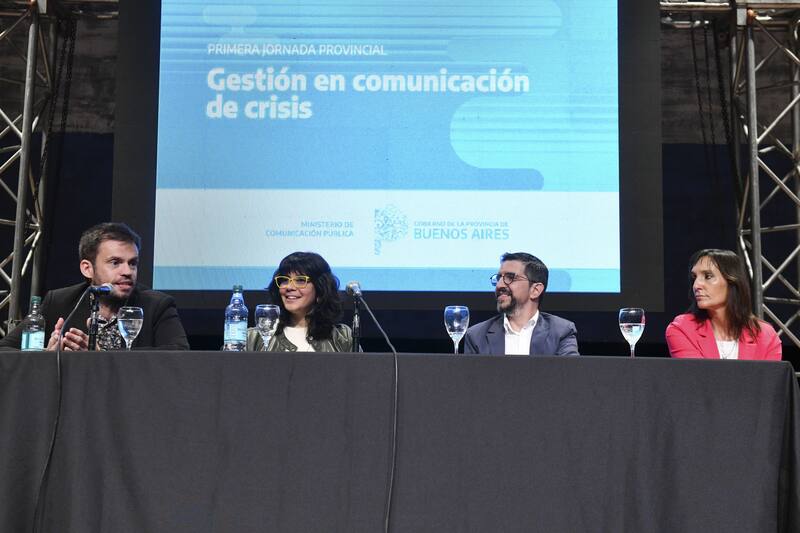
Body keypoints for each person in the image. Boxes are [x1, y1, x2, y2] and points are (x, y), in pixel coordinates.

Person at [0, 222, 189, 351]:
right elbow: (6, 351)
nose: (127, 271)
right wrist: (45, 357)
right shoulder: (59, 302)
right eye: (115, 262)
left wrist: (102, 357)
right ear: (87, 269)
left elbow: (178, 356)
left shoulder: (157, 306)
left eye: (133, 263)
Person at [665, 248, 781, 360]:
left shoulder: (766, 336)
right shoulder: (682, 329)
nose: (696, 285)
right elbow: (697, 377)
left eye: (708, 276)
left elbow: (769, 379)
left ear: (732, 282)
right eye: (694, 277)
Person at [464, 252, 579, 356]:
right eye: (499, 278)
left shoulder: (561, 331)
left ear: (535, 290)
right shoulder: (476, 335)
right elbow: (471, 379)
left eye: (510, 277)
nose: (499, 285)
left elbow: (570, 376)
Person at [246, 251, 353, 352]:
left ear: (320, 289)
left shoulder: (342, 336)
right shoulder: (255, 337)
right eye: (284, 280)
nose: (289, 287)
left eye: (300, 280)